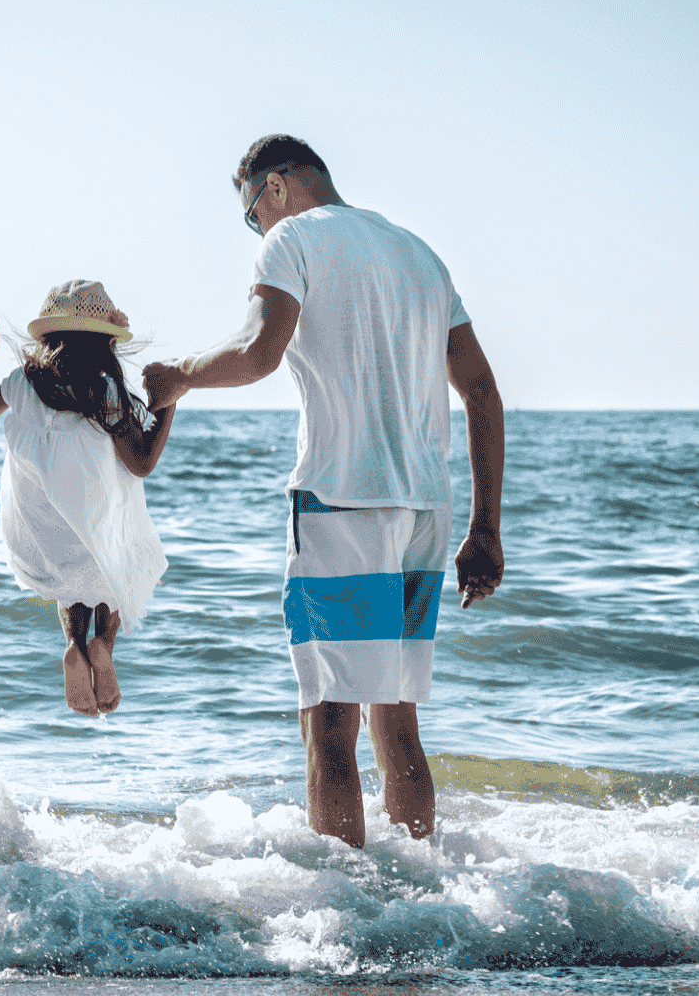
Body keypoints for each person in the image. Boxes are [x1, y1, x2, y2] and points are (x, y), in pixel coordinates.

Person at [143, 135, 504, 846]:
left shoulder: (292, 241)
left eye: (252, 213)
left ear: (276, 187)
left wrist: (180, 376)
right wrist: (486, 529)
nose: (257, 228)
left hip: (343, 498)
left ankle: (347, 919)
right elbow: (483, 391)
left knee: (329, 724)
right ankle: (419, 899)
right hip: (427, 509)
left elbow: (257, 355)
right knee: (396, 720)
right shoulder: (419, 253)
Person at [0, 280, 175, 716]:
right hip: (94, 528)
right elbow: (142, 462)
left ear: (50, 338)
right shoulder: (106, 392)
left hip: (40, 532)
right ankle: (102, 643)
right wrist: (167, 403)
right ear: (104, 343)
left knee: (69, 582)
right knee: (113, 572)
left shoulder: (24, 383)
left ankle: (73, 643)